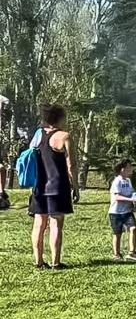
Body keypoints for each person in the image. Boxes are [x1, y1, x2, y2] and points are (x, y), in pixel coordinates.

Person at [30, 104, 78, 269]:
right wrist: (76, 187)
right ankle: (55, 262)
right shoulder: (65, 136)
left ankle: (38, 262)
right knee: (56, 224)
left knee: (39, 224)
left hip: (39, 187)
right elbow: (71, 165)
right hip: (57, 186)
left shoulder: (38, 136)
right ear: (59, 118)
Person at [109, 159, 136, 261]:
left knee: (134, 228)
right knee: (118, 233)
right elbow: (117, 197)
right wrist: (130, 199)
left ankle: (132, 252)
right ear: (122, 170)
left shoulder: (128, 181)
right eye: (129, 167)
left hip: (127, 211)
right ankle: (116, 254)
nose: (131, 169)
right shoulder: (116, 182)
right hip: (116, 213)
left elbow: (131, 194)